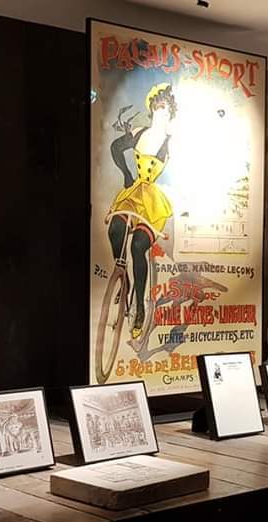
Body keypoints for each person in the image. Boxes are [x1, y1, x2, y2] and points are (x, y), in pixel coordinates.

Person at [106, 83, 177, 339]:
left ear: (171, 114)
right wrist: (127, 175)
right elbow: (116, 148)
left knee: (138, 246)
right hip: (133, 193)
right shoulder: (139, 133)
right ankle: (122, 278)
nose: (161, 112)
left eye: (166, 109)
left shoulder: (171, 141)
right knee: (115, 229)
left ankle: (139, 306)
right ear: (152, 110)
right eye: (158, 108)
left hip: (153, 202)